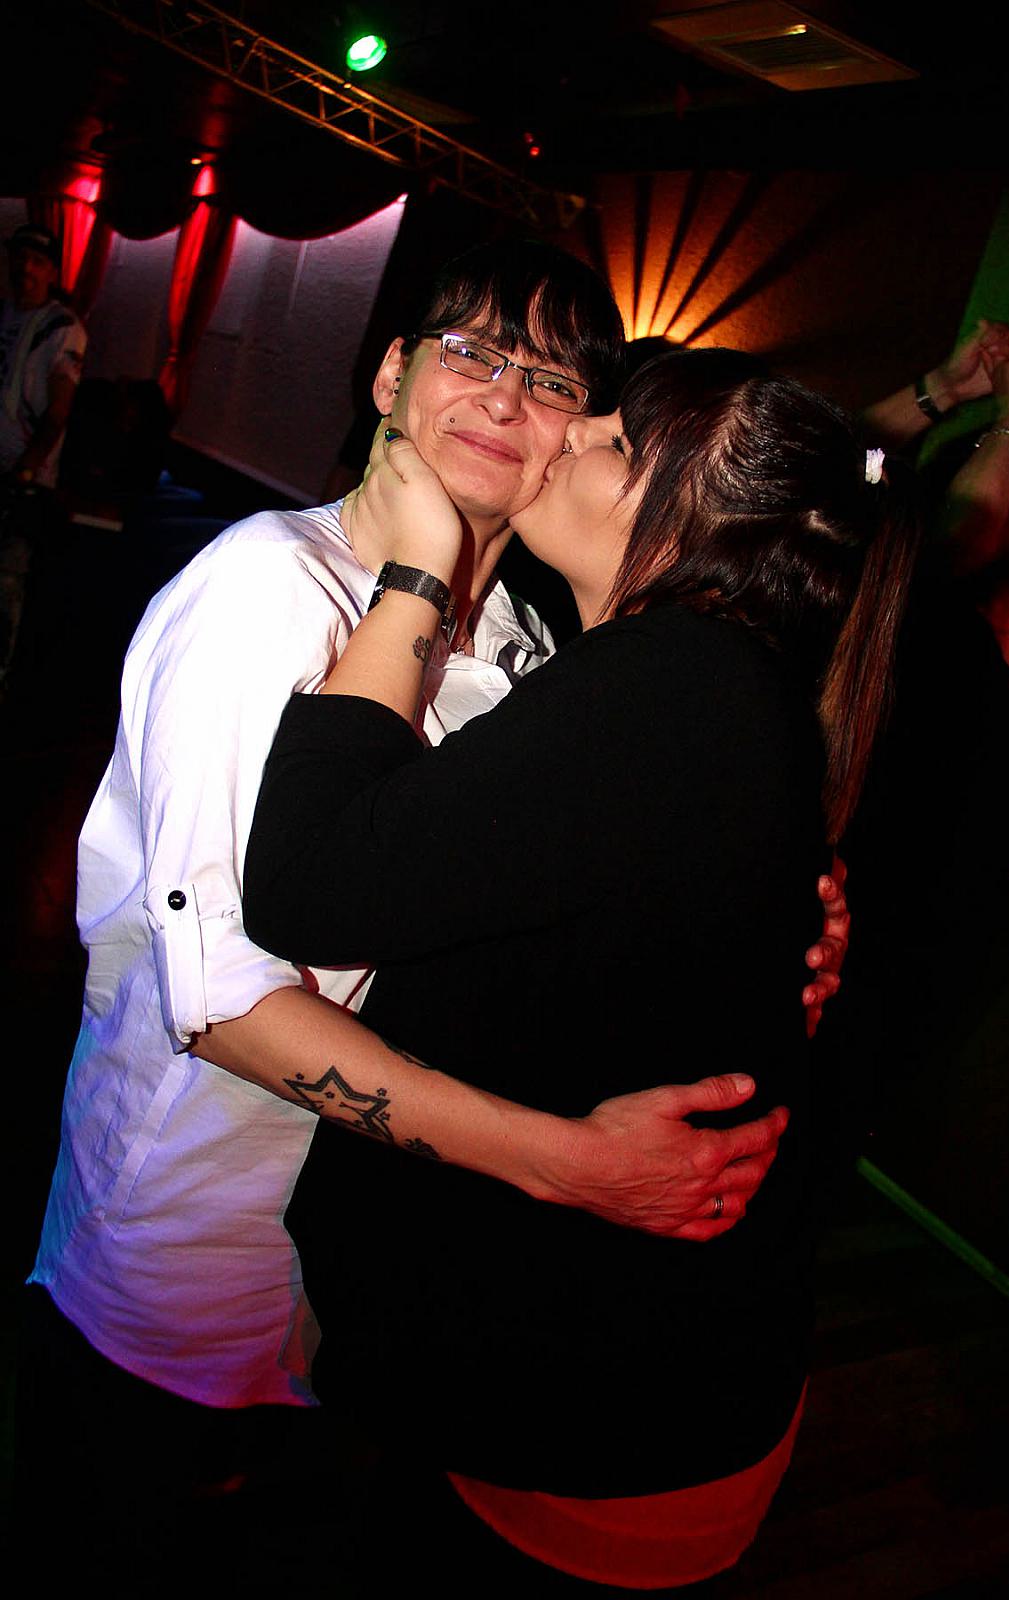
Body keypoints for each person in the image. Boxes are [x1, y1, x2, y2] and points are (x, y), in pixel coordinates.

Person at [27, 247, 833, 1536]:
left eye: (552, 381)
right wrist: (566, 1164)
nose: (506, 397)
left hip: (379, 1275)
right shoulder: (266, 589)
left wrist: (762, 922)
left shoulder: (531, 643)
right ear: (390, 374)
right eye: (471, 353)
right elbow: (220, 1003)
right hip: (197, 1247)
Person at [241, 350, 920, 1589]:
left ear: (697, 522)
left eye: (612, 440)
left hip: (587, 1430)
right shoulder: (711, 685)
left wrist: (413, 575)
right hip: (619, 1395)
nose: (563, 437)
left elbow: (303, 889)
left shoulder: (669, 684)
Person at [0, 223, 85, 486]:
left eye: (38, 262)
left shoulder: (62, 328)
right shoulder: (3, 312)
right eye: (21, 257)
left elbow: (58, 410)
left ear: (52, 273)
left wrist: (27, 468)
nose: (26, 267)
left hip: (24, 472)